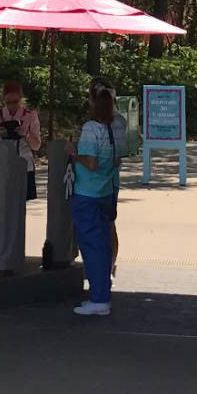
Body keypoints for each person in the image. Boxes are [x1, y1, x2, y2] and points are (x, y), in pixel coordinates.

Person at [71, 85, 125, 316]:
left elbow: (90, 162)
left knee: (91, 246)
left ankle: (99, 297)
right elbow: (117, 160)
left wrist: (72, 152)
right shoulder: (118, 125)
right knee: (103, 241)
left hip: (87, 192)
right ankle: (103, 290)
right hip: (106, 190)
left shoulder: (91, 128)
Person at [0, 80, 41, 275]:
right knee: (1, 211)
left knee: (18, 211)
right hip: (0, 168)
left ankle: (15, 253)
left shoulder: (30, 116)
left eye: (16, 102)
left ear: (21, 99)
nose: (12, 106)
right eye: (9, 103)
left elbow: (37, 145)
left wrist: (25, 133)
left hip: (23, 166)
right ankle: (0, 255)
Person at [89, 76, 127, 273]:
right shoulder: (119, 121)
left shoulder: (104, 123)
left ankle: (106, 266)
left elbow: (112, 157)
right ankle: (107, 265)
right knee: (107, 224)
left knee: (105, 224)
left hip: (101, 183)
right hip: (110, 181)